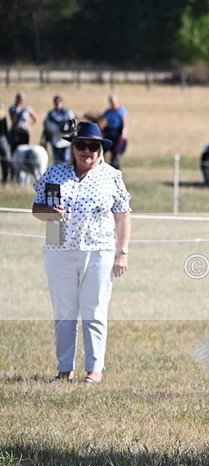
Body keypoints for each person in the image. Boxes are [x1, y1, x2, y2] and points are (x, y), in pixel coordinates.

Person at [31, 121, 132, 384]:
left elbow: (123, 216)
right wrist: (49, 213)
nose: (86, 151)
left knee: (94, 309)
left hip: (99, 251)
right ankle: (64, 369)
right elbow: (37, 210)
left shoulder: (111, 176)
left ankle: (94, 370)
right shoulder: (55, 175)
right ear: (73, 147)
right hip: (59, 249)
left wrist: (123, 252)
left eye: (92, 146)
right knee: (64, 311)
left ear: (100, 150)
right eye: (81, 145)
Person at [43, 95, 76, 164]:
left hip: (66, 141)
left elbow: (73, 124)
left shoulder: (68, 113)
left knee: (67, 162)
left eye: (59, 102)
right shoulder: (51, 114)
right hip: (55, 141)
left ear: (62, 102)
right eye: (56, 103)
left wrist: (68, 130)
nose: (58, 104)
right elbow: (47, 126)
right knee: (57, 162)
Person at [101, 94, 128, 169]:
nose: (113, 104)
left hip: (117, 133)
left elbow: (125, 122)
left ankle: (115, 167)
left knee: (115, 153)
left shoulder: (121, 111)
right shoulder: (108, 112)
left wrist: (124, 132)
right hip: (108, 133)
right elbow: (102, 121)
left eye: (114, 102)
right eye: (111, 102)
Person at [0, 100, 10, 185]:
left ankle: (5, 180)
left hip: (2, 138)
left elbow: (6, 131)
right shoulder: (3, 116)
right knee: (5, 158)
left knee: (5, 159)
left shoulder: (3, 117)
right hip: (2, 139)